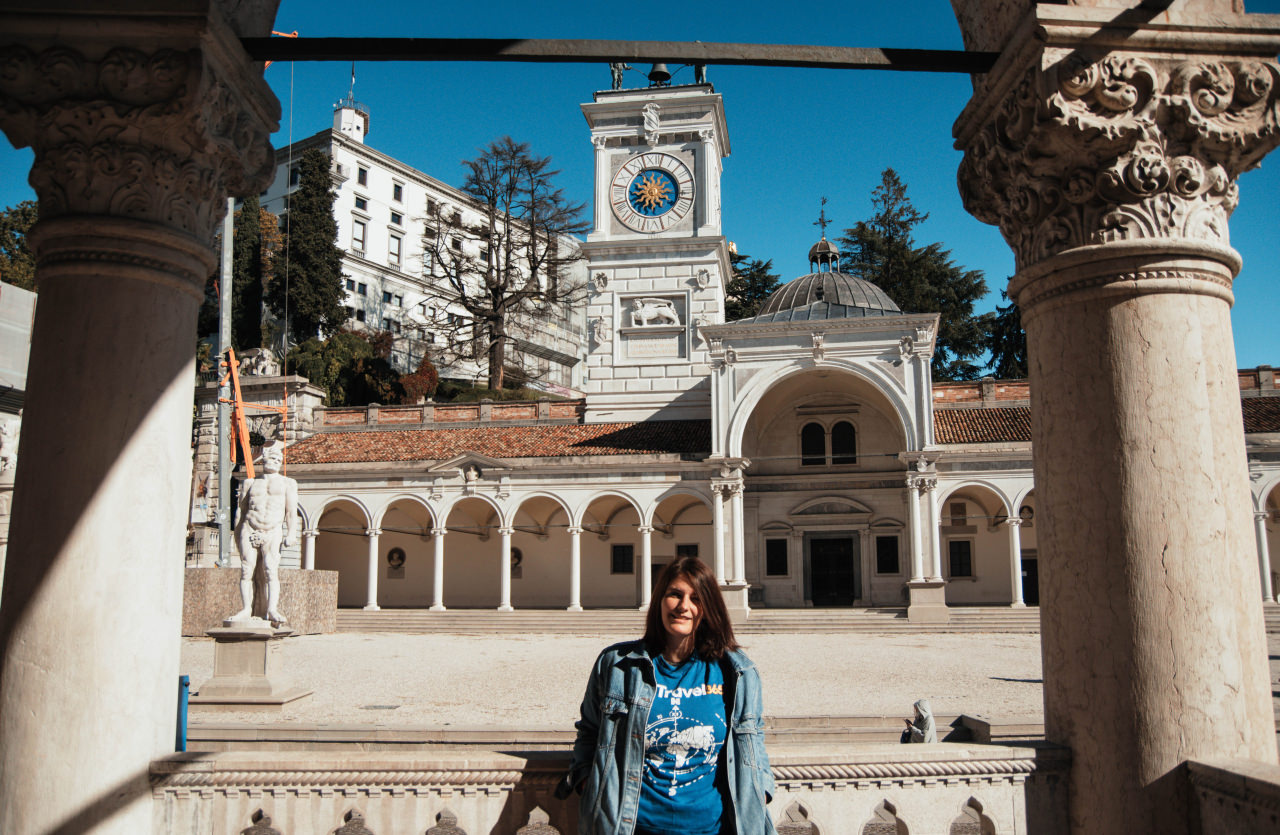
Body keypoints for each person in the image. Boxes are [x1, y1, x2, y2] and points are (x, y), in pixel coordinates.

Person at [564, 556, 776, 835]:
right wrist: (586, 781)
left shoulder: (737, 672)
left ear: (709, 607)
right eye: (674, 594)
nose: (683, 606)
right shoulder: (617, 665)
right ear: (659, 600)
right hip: (632, 827)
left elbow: (752, 737)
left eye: (696, 598)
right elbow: (589, 731)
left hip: (712, 828)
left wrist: (761, 791)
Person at [228, 441, 298, 626]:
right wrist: (236, 533)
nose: (274, 460)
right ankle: (245, 609)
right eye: (270, 457)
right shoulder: (250, 482)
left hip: (272, 528)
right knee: (246, 569)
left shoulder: (288, 483)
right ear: (263, 459)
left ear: (281, 462)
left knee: (270, 570)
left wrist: (291, 533)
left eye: (277, 458)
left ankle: (272, 609)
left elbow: (291, 511)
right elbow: (241, 511)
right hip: (249, 526)